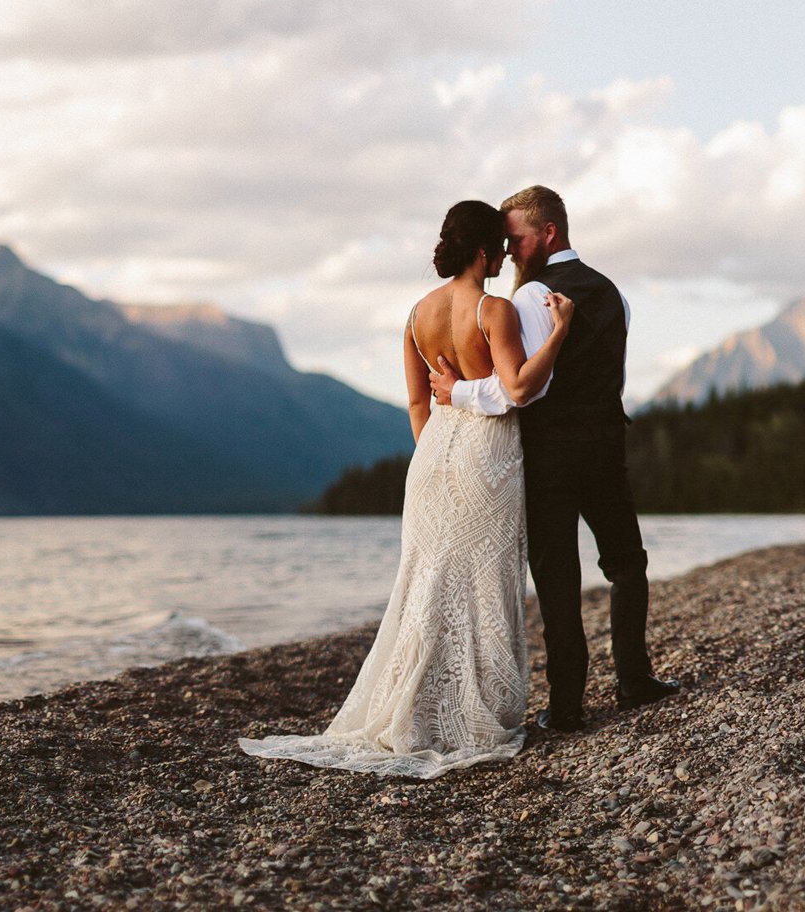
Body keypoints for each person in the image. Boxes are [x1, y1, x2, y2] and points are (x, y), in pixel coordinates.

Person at [238, 200, 573, 779]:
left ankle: (413, 706)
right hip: (486, 454)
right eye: (496, 245)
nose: (500, 255)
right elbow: (517, 389)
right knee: (480, 580)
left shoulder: (418, 314)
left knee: (426, 578)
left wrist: (436, 457)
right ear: (480, 251)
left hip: (433, 459)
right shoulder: (493, 309)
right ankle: (473, 712)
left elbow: (419, 402)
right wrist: (560, 332)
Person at [429, 185, 680, 734]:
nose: (511, 252)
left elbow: (518, 390)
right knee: (626, 563)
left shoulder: (527, 297)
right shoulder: (615, 294)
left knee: (557, 575)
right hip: (607, 445)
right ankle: (635, 680)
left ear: (548, 234)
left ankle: (567, 706)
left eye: (516, 240)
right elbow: (611, 372)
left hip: (549, 456)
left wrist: (457, 393)